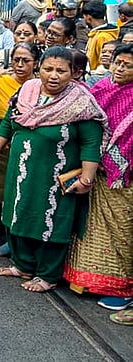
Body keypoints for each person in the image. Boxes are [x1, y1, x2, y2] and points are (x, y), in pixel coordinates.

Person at [0, 47, 105, 292]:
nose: (53, 75)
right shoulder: (27, 90)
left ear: (73, 73)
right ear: (39, 68)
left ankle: (48, 275)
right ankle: (22, 265)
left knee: (51, 221)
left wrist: (87, 177)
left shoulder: (80, 102)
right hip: (21, 170)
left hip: (54, 176)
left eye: (61, 71)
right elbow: (9, 122)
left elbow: (91, 142)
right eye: (48, 69)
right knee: (16, 213)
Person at [64, 44, 133, 323]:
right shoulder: (102, 87)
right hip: (93, 170)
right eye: (118, 62)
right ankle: (88, 280)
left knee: (121, 230)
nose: (120, 68)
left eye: (128, 65)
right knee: (90, 227)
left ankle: (123, 287)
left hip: (122, 180)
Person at [0, 43, 40, 251]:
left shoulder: (39, 87)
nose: (20, 64)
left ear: (35, 63)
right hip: (2, 140)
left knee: (23, 189)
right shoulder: (2, 82)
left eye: (26, 60)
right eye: (16, 60)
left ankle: (16, 236)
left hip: (30, 144)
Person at [82, 1, 118, 70]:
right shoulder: (96, 34)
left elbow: (106, 63)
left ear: (88, 17)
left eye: (84, 17)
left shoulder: (103, 37)